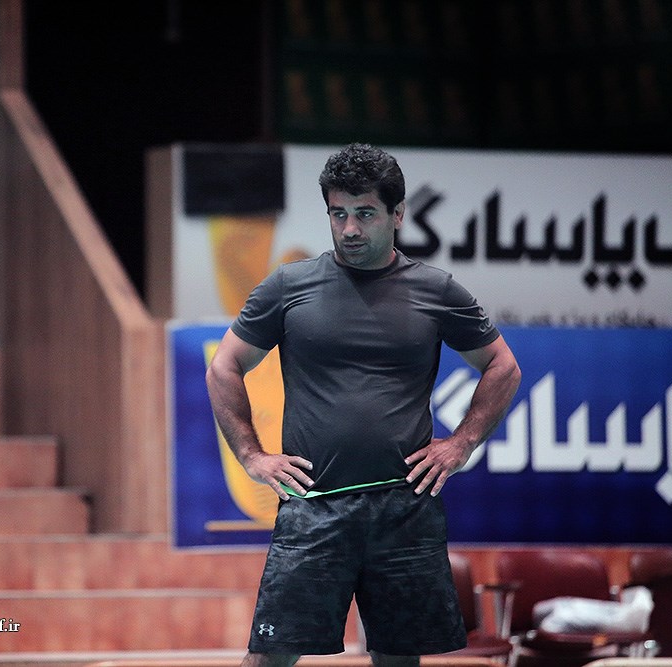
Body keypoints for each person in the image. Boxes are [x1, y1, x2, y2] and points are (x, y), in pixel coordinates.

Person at [205, 143, 521, 667]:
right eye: (339, 214)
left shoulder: (437, 291)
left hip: (404, 510)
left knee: (398, 659)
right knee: (270, 655)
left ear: (398, 214)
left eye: (365, 213)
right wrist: (252, 456)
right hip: (314, 507)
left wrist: (461, 443)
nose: (350, 228)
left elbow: (503, 367)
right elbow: (224, 367)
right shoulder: (289, 286)